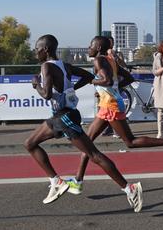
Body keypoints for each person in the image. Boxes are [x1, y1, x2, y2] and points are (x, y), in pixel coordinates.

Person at [24, 34, 143, 212]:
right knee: (30, 143)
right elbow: (88, 76)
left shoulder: (46, 66)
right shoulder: (64, 65)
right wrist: (70, 89)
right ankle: (56, 181)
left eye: (37, 49)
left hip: (64, 118)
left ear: (46, 50)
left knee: (94, 155)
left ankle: (130, 189)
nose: (35, 53)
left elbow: (47, 94)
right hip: (64, 116)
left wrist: (36, 85)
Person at [65, 36, 163, 194]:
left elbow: (106, 81)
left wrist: (92, 81)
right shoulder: (110, 59)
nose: (88, 47)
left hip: (110, 106)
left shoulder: (99, 60)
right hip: (109, 105)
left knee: (130, 142)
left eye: (91, 45)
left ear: (98, 47)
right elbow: (128, 77)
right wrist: (114, 88)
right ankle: (78, 181)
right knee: (87, 142)